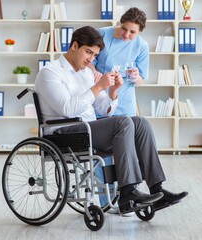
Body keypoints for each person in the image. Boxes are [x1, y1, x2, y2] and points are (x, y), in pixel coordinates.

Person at [34, 26, 188, 215]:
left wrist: (113, 92)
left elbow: (103, 109)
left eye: (95, 54)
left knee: (140, 123)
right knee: (122, 122)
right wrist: (98, 86)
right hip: (63, 133)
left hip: (87, 130)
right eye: (88, 52)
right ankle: (128, 192)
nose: (91, 59)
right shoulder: (50, 73)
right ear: (74, 46)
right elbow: (68, 109)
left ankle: (157, 190)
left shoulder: (85, 74)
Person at [90, 7, 149, 213]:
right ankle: (106, 202)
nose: (126, 35)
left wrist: (134, 77)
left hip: (125, 105)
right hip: (102, 102)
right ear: (119, 23)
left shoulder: (141, 46)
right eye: (124, 29)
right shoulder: (102, 35)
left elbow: (141, 79)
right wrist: (99, 76)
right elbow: (88, 64)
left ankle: (128, 196)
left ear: (139, 32)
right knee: (103, 155)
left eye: (132, 32)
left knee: (125, 153)